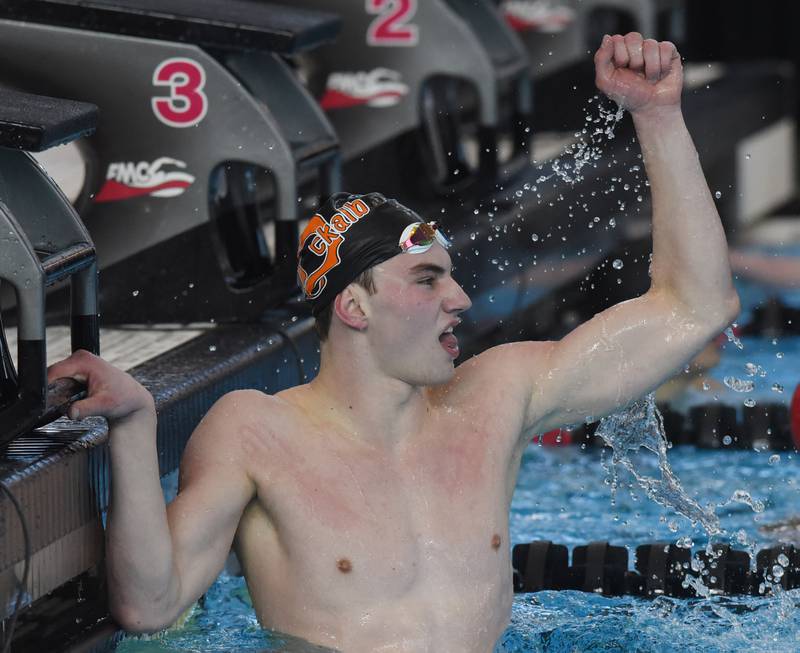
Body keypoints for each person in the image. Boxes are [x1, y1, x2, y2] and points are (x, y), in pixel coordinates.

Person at [47, 33, 740, 652]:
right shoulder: (255, 433)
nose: (461, 299)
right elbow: (150, 605)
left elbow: (695, 306)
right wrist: (136, 427)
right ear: (354, 304)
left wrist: (658, 116)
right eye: (428, 278)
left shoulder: (497, 397)